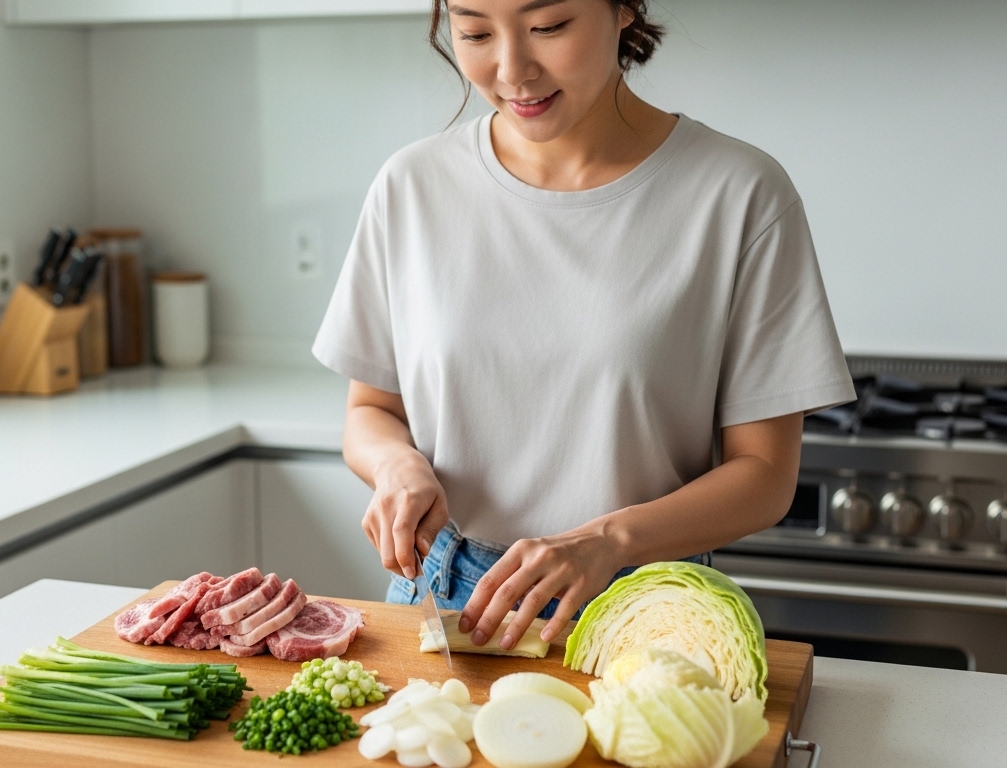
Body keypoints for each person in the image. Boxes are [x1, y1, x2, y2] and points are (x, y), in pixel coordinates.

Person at [312, 0, 855, 652]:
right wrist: (397, 467)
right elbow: (368, 412)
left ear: (624, 9)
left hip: (646, 609)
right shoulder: (412, 185)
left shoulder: (739, 193)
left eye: (548, 26)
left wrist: (606, 541)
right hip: (442, 598)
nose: (512, 69)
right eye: (476, 31)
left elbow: (765, 474)